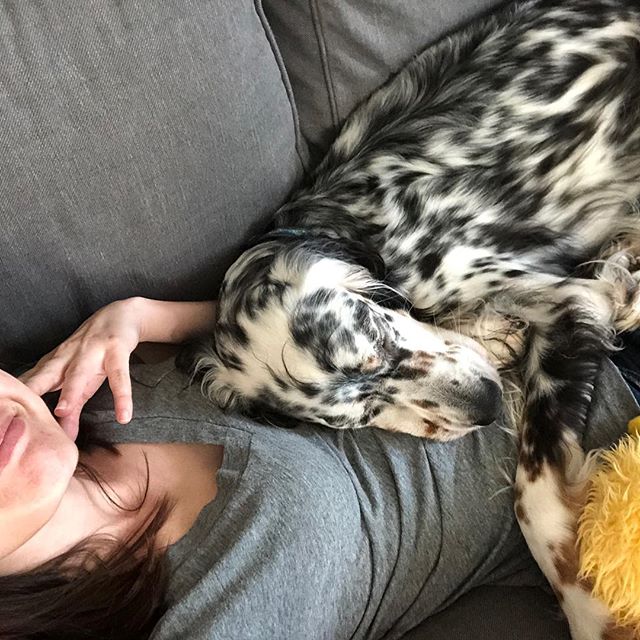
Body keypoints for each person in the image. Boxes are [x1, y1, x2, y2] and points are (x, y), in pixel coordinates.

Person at [0, 296, 637, 640]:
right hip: (612, 439)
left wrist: (142, 315)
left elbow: (272, 330)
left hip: (557, 310)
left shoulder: (95, 394)